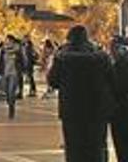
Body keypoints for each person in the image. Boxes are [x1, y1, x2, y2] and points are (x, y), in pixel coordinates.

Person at [47, 25, 116, 162]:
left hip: (71, 109)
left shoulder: (62, 58)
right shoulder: (101, 57)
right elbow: (112, 80)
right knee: (97, 145)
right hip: (97, 109)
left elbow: (53, 81)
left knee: (74, 147)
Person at [0, 35, 23, 119]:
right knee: (7, 92)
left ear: (12, 41)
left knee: (11, 91)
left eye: (8, 40)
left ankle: (11, 109)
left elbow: (22, 60)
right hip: (6, 73)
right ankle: (10, 103)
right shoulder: (3, 50)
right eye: (6, 40)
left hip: (14, 73)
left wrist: (22, 69)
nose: (6, 41)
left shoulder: (18, 50)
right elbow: (0, 61)